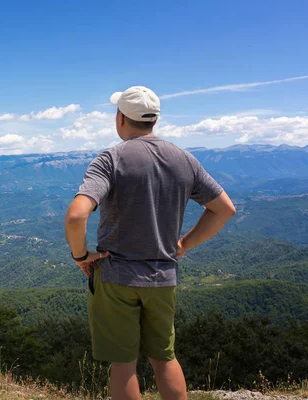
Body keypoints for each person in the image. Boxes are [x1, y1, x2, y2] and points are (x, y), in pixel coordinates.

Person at [64, 86, 236, 400]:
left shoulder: (111, 159)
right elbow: (224, 209)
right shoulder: (184, 159)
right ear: (153, 120)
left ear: (121, 118)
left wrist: (81, 255)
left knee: (124, 364)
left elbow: (76, 216)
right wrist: (183, 245)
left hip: (116, 276)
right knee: (164, 358)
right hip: (163, 276)